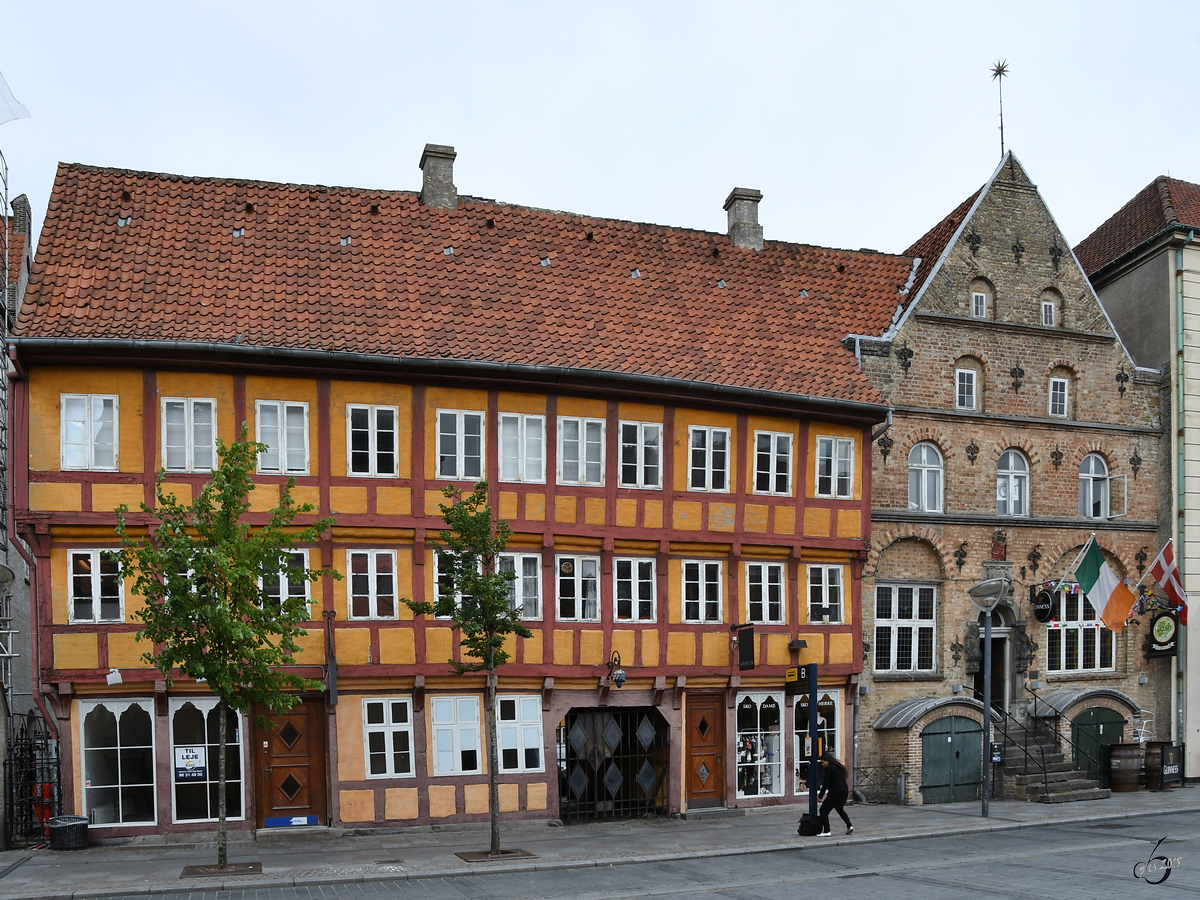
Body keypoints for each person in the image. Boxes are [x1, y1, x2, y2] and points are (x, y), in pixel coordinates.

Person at [816, 751, 853, 836]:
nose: (822, 764)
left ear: (827, 761)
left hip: (836, 792)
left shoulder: (829, 768)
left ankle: (826, 831)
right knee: (839, 808)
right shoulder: (836, 767)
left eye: (822, 762)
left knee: (823, 810)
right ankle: (849, 825)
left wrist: (820, 796)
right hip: (844, 791)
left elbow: (826, 783)